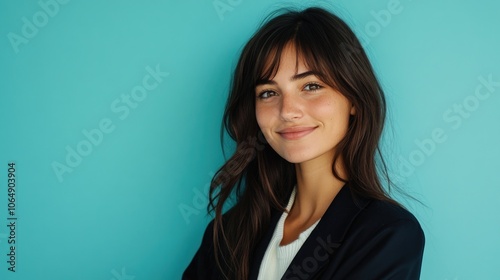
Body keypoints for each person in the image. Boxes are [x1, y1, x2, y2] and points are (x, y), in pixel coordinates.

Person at [183, 6, 425, 280]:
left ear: (354, 100)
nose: (287, 110)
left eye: (311, 86)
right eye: (269, 92)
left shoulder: (386, 235)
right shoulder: (228, 233)